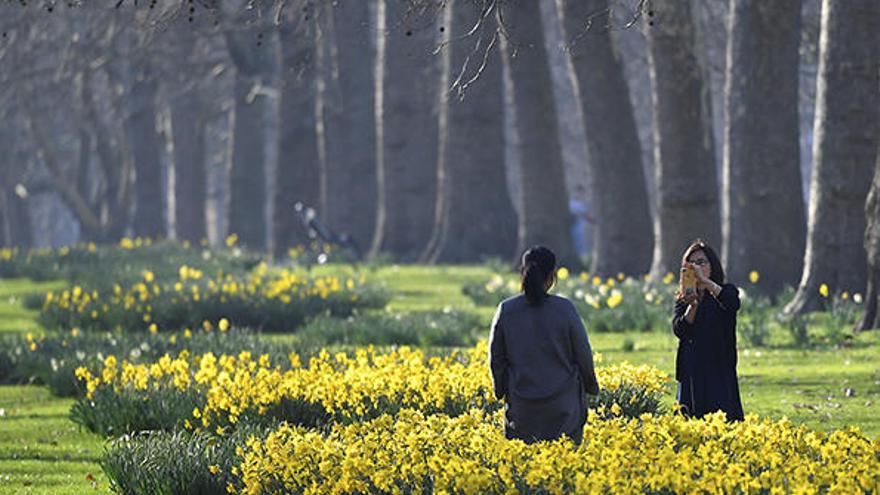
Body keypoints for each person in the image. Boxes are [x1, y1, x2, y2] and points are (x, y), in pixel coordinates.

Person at [489, 246, 600, 444]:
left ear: (522, 274)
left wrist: (501, 390)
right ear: (552, 277)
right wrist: (591, 386)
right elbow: (583, 354)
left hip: (522, 410)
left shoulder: (506, 310)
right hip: (564, 411)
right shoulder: (565, 310)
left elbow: (496, 358)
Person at [672, 239, 744, 421]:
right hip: (691, 369)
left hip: (719, 368)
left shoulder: (725, 291)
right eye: (692, 264)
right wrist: (692, 305)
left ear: (712, 266)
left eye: (701, 262)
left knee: (723, 423)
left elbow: (732, 304)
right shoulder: (684, 299)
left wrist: (706, 283)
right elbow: (680, 330)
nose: (696, 267)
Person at [569, 184, 595, 257]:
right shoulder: (572, 204)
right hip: (574, 230)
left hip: (579, 230)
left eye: (582, 193)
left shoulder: (581, 205)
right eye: (579, 192)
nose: (580, 194)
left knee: (580, 245)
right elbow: (586, 217)